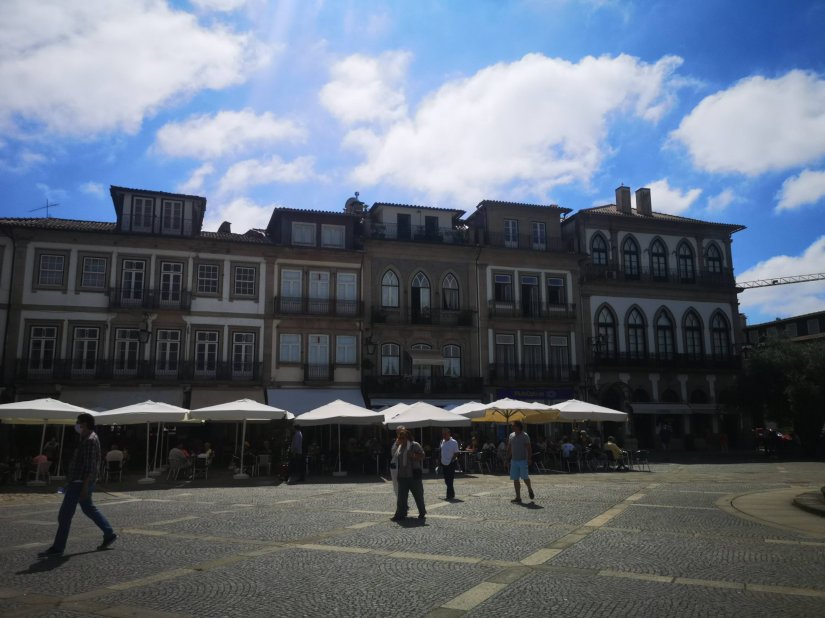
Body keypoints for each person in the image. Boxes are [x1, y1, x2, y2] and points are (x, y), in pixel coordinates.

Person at [38, 413, 117, 558]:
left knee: (65, 515)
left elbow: (90, 466)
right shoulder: (87, 438)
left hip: (80, 482)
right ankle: (109, 533)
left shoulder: (90, 440)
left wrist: (85, 486)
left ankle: (58, 547)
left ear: (85, 423)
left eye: (78, 422)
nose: (76, 424)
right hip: (78, 481)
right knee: (88, 508)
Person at [391, 427, 426, 522]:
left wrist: (413, 456)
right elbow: (394, 457)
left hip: (414, 475)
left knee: (418, 495)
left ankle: (422, 512)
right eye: (399, 437)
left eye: (403, 438)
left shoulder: (414, 445)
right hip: (402, 476)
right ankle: (400, 514)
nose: (401, 439)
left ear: (408, 437)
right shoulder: (399, 447)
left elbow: (422, 455)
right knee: (401, 497)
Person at [507, 420, 535, 503]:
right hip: (514, 460)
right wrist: (506, 458)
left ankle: (529, 488)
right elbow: (509, 448)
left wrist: (529, 458)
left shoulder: (525, 435)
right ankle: (518, 497)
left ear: (518, 426)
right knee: (515, 479)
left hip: (523, 460)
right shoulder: (511, 435)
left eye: (513, 425)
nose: (512, 427)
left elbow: (529, 448)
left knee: (525, 477)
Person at [439, 427, 460, 500]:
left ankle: (448, 495)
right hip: (444, 462)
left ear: (449, 433)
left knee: (450, 479)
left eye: (445, 434)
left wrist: (452, 460)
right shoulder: (442, 441)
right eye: (443, 434)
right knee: (446, 479)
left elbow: (456, 452)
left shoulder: (454, 442)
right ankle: (452, 493)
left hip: (451, 463)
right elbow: (441, 451)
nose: (444, 435)